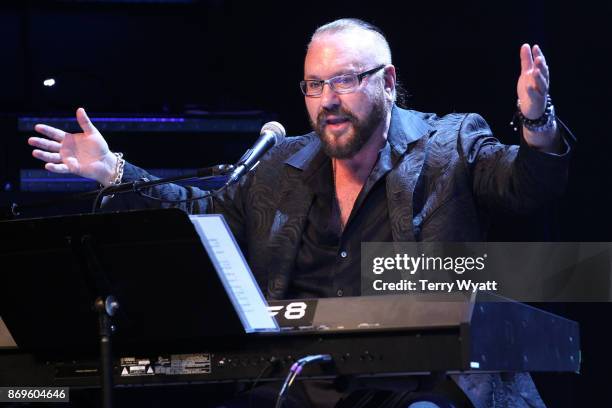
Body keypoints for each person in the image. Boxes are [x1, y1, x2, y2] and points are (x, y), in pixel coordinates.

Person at [28, 18, 571, 408]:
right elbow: (207, 214)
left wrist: (537, 119)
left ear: (386, 81)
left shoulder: (450, 142)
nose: (327, 99)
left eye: (345, 80)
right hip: (295, 380)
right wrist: (117, 173)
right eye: (315, 84)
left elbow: (525, 184)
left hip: (419, 382)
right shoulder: (280, 163)